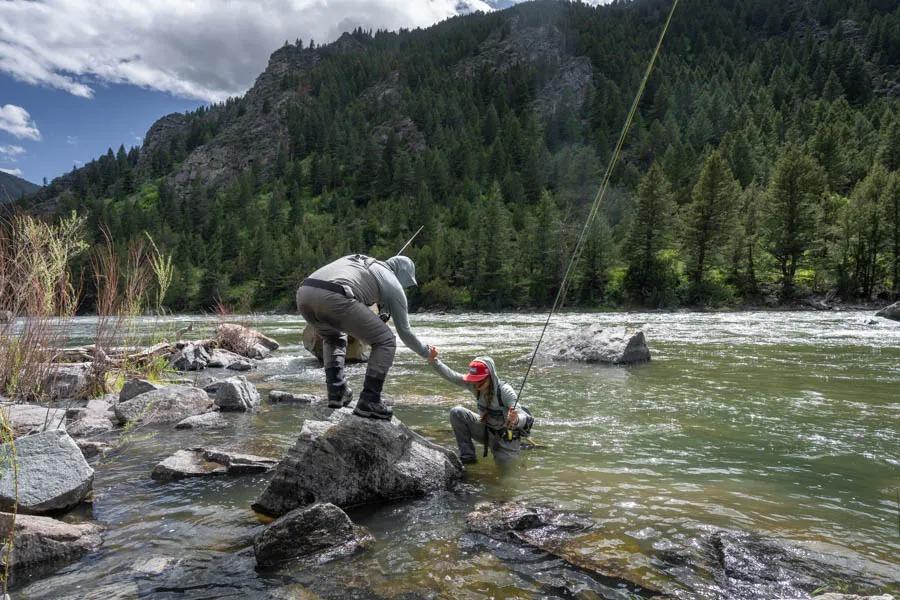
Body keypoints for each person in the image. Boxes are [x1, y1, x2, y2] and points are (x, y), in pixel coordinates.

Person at [296, 254, 430, 420]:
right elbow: (405, 332)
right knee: (386, 341)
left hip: (304, 293)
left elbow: (354, 293)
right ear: (402, 275)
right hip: (334, 296)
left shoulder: (361, 261)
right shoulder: (393, 283)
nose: (405, 286)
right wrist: (426, 352)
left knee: (333, 337)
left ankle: (337, 391)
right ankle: (370, 400)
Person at [427, 346, 533, 464]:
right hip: (486, 431)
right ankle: (468, 457)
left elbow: (523, 415)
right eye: (474, 379)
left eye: (480, 380)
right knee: (457, 413)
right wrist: (434, 361)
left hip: (506, 439)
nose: (476, 384)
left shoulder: (504, 390)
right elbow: (452, 376)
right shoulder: (473, 385)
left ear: (490, 377)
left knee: (505, 477)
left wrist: (516, 418)